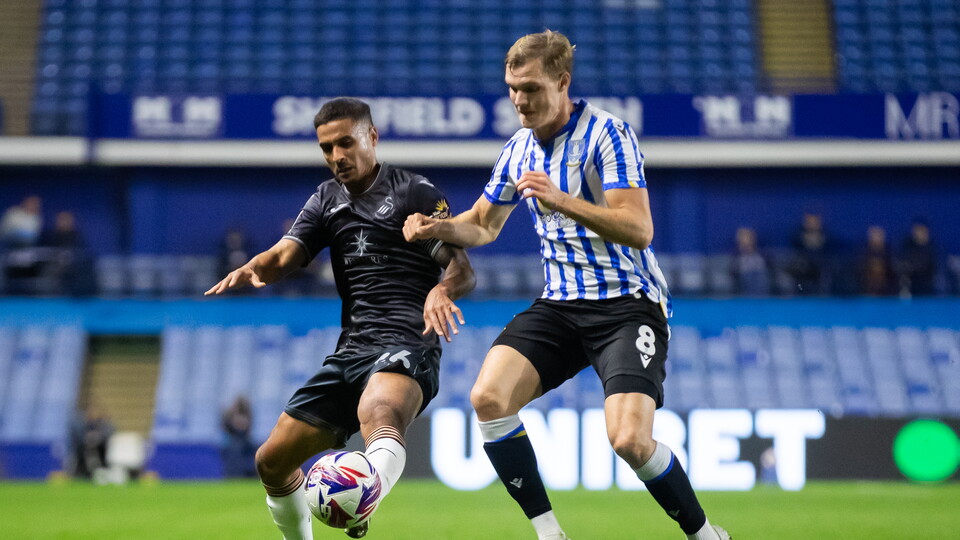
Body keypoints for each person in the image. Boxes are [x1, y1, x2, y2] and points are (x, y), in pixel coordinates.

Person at [404, 31, 728, 540]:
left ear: (562, 82)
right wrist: (437, 227)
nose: (519, 100)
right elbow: (484, 226)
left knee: (629, 441)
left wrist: (562, 200)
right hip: (561, 306)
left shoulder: (608, 135)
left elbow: (640, 228)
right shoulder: (517, 149)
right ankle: (550, 533)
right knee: (488, 398)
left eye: (530, 88)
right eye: (512, 88)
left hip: (627, 305)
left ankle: (705, 533)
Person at [206, 97, 475, 539]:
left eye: (345, 143)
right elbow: (285, 255)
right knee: (271, 460)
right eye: (327, 148)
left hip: (408, 340)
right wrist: (257, 266)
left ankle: (363, 497)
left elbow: (462, 268)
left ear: (372, 136)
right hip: (351, 351)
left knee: (379, 411)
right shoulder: (326, 199)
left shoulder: (413, 193)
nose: (336, 157)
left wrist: (443, 290)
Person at [786, 211, 832, 295]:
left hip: (819, 269)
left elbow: (828, 251)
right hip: (802, 270)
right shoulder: (797, 237)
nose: (812, 224)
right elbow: (796, 248)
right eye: (810, 222)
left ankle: (823, 297)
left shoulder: (827, 237)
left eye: (815, 222)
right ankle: (798, 295)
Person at [898, 219, 937, 296]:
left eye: (922, 231)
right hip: (912, 286)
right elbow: (904, 266)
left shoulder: (932, 249)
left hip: (928, 287)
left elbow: (935, 268)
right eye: (917, 230)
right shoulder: (907, 246)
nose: (919, 233)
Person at [221, 395, 257, 478]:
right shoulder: (230, 415)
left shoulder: (247, 414)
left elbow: (247, 429)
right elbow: (226, 427)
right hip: (234, 441)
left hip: (243, 441)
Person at [731, 226, 770, 296]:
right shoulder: (736, 255)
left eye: (748, 238)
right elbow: (733, 269)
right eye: (744, 239)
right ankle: (749, 299)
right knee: (749, 275)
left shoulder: (761, 253)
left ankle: (761, 298)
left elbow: (768, 266)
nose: (746, 241)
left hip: (759, 274)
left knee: (758, 275)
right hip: (744, 275)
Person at [857, 225, 894, 296]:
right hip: (866, 290)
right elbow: (859, 270)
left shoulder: (889, 253)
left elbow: (892, 271)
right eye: (874, 235)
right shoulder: (863, 254)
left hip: (886, 292)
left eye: (879, 235)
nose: (876, 238)